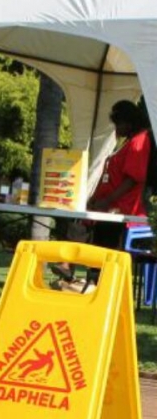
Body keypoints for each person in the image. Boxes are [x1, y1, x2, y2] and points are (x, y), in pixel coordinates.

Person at [53, 100, 151, 293]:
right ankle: (72, 270)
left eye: (118, 124)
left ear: (129, 122)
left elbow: (132, 179)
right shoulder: (128, 141)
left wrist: (107, 201)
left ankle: (82, 272)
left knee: (98, 232)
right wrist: (96, 198)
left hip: (123, 207)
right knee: (80, 222)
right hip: (108, 204)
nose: (117, 129)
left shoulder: (140, 140)